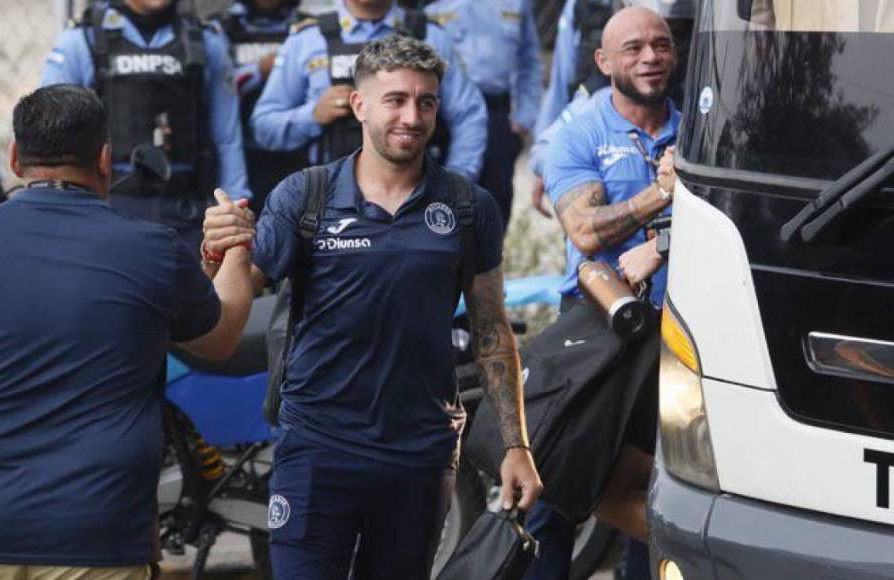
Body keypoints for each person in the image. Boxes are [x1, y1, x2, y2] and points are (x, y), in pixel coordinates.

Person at [0, 84, 255, 580]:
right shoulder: (150, 250)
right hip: (99, 539)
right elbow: (221, 337)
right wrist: (237, 245)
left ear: (14, 158)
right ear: (104, 159)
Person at [204, 35, 542, 579]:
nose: (412, 116)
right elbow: (234, 287)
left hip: (419, 455)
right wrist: (216, 246)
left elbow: (490, 329)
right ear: (359, 105)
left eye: (426, 102)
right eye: (396, 100)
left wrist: (516, 445)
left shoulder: (467, 206)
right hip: (316, 448)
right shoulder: (305, 196)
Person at [523, 6, 681, 580]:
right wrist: (661, 195)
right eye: (634, 48)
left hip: (679, 332)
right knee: (558, 487)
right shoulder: (580, 131)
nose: (650, 57)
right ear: (603, 61)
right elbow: (584, 230)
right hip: (594, 330)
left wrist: (661, 242)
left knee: (661, 491)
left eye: (660, 45)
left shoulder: (699, 131)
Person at [42, 0, 252, 257]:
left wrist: (234, 215)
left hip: (188, 213)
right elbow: (52, 144)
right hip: (106, 212)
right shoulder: (81, 40)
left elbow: (227, 138)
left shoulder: (207, 42)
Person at [249, 0, 488, 181]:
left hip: (418, 198)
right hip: (327, 201)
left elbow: (469, 116)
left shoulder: (430, 36)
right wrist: (312, 115)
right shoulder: (307, 40)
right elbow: (264, 127)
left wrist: (457, 181)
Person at [424, 0, 543, 227]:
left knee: (493, 211)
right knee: (438, 206)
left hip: (495, 116)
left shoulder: (518, 3)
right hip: (442, 116)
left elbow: (529, 60)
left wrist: (524, 120)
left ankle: (489, 263)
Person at [216, 0, 309, 216]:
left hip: (297, 150)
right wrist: (257, 70)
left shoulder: (306, 27)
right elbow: (214, 89)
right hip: (241, 153)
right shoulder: (222, 26)